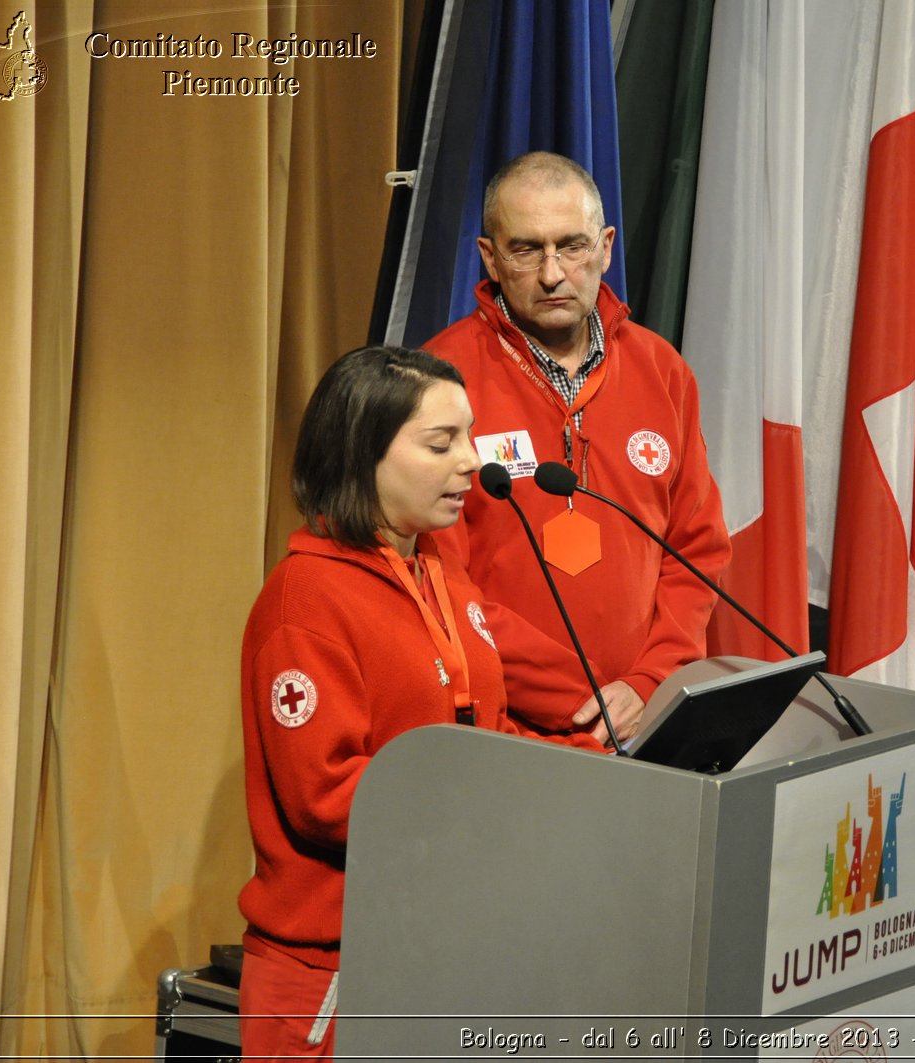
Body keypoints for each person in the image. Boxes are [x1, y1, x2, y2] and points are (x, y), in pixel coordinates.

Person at [237, 345, 603, 1058]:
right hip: (334, 973)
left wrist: (586, 764)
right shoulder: (303, 602)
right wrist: (500, 800)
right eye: (441, 443)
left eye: (468, 436)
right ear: (361, 452)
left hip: (442, 944)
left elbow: (481, 733)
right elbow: (328, 795)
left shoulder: (436, 568)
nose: (470, 460)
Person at [426, 151, 731, 744]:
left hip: (645, 719)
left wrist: (649, 683)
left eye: (572, 246)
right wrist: (580, 699)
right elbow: (439, 580)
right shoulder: (438, 382)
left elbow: (697, 551)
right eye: (525, 249)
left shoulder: (662, 371)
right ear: (489, 256)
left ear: (606, 246)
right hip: (504, 729)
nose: (552, 273)